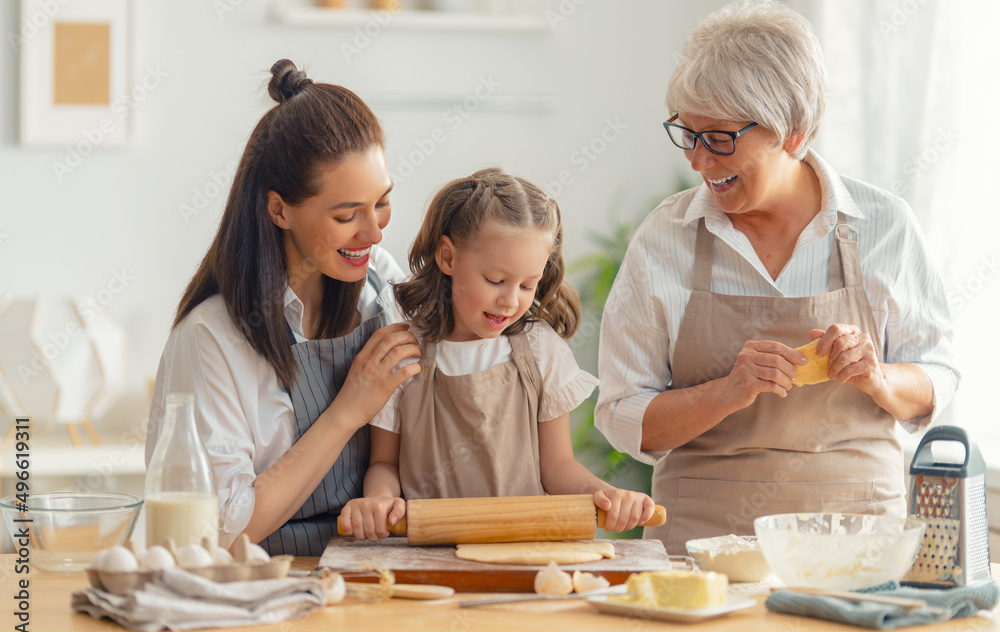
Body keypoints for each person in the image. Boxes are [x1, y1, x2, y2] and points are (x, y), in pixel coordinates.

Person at [596, 0, 959, 554]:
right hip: (700, 548)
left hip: (858, 541)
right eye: (685, 134)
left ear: (793, 131)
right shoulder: (663, 237)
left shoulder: (884, 226)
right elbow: (624, 418)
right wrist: (728, 391)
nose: (697, 161)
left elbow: (938, 377)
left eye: (718, 139)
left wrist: (876, 377)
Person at [145, 60, 421, 556]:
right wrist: (348, 409)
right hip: (263, 584)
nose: (374, 231)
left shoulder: (380, 281)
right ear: (279, 210)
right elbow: (222, 530)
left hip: (368, 572)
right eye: (345, 215)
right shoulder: (212, 337)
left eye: (381, 202)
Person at [338, 168, 657, 541]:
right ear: (448, 258)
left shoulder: (540, 350)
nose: (510, 301)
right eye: (495, 281)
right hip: (426, 551)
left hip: (526, 551)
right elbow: (383, 462)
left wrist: (603, 493)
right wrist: (378, 499)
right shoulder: (404, 354)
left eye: (527, 285)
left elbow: (557, 466)